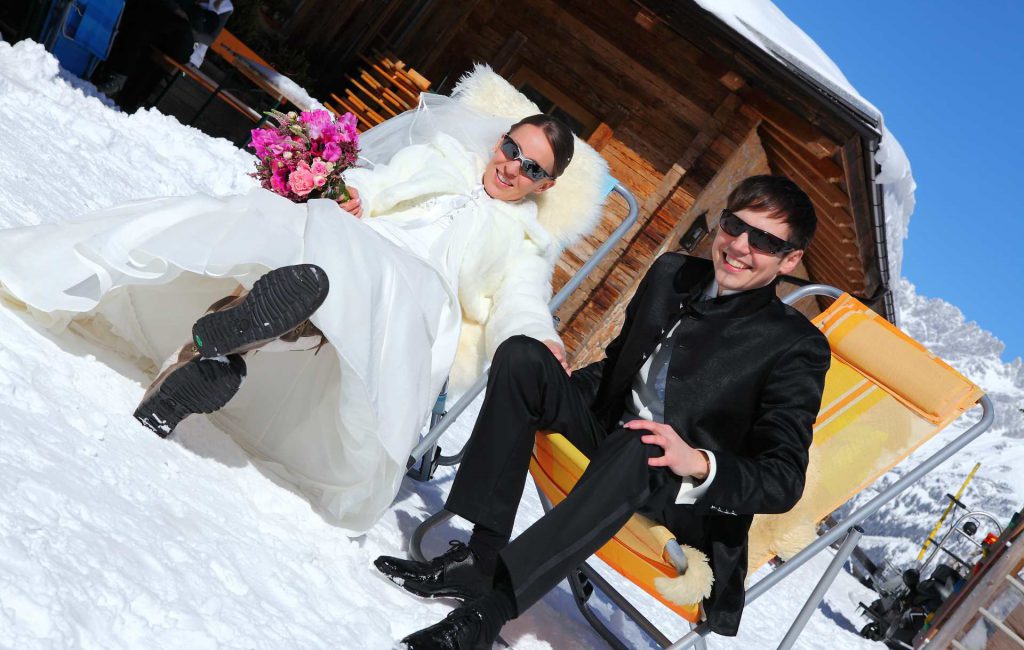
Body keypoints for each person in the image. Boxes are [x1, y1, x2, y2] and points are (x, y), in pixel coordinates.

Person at [0, 109, 583, 533]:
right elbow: (375, 185)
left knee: (363, 284)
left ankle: (216, 338)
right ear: (500, 140)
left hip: (420, 290)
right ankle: (222, 340)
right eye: (511, 148)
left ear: (545, 185)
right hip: (358, 240)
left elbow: (521, 304)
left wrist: (541, 337)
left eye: (531, 168)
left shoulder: (524, 244)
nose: (511, 167)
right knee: (303, 234)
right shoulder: (438, 161)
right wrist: (352, 194)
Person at [376, 175, 832, 647]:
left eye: (762, 240)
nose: (738, 245)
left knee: (643, 441)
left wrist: (697, 462)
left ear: (790, 259)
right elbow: (618, 369)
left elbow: (782, 479)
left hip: (682, 496)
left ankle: (490, 613)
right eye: (734, 226)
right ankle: (481, 558)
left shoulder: (796, 346)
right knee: (522, 356)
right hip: (612, 440)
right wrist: (551, 386)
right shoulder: (672, 275)